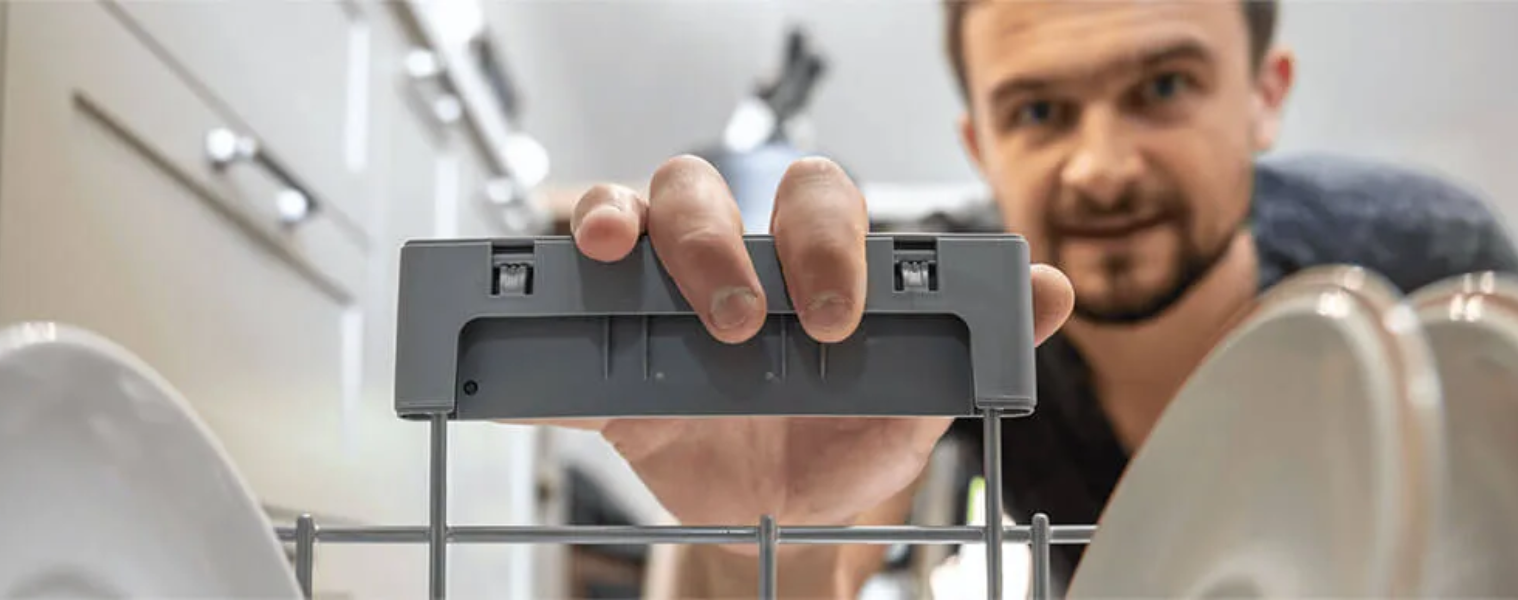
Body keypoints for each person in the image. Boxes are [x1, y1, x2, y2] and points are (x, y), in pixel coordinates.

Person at [553, 0, 1518, 596]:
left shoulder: (1430, 265)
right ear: (981, 145)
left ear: (1266, 94)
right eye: (1040, 112)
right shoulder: (942, 300)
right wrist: (763, 538)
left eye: (1164, 87)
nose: (1100, 168)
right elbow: (815, 568)